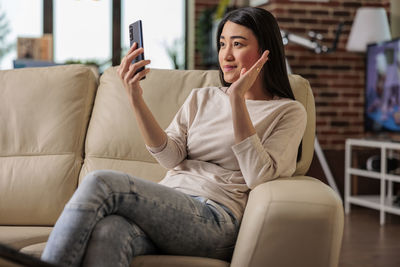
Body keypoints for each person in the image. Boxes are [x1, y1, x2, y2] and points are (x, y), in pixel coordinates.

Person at [41, 6, 306, 267]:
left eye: (237, 44)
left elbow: (258, 176)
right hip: (170, 204)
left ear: (266, 52)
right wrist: (135, 99)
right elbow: (170, 157)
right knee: (110, 231)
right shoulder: (202, 97)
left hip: (217, 219)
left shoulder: (288, 112)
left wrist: (237, 99)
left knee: (101, 182)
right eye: (222, 43)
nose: (226, 54)